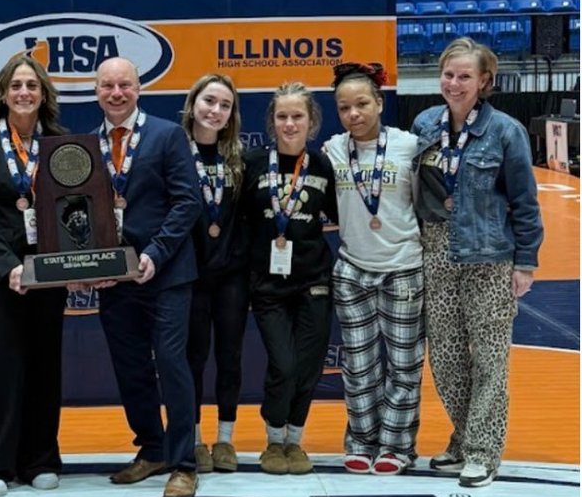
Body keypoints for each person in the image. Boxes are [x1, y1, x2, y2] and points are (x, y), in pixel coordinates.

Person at [410, 38, 543, 488]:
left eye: (465, 76)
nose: (454, 83)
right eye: (449, 74)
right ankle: (464, 437)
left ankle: (483, 452)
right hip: (437, 252)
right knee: (446, 358)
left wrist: (525, 262)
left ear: (484, 81)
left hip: (489, 255)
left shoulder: (506, 131)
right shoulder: (425, 124)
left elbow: (524, 201)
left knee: (489, 359)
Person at [90, 57, 202, 497]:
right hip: (115, 278)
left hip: (167, 272)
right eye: (107, 86)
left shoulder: (167, 134)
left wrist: (155, 254)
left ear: (140, 88)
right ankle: (151, 449)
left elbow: (187, 202)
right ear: (96, 91)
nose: (116, 93)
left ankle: (183, 464)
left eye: (125, 85)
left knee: (172, 365)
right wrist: (89, 265)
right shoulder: (85, 145)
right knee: (131, 367)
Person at [0, 54, 67, 497]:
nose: (24, 93)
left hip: (50, 270)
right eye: (16, 85)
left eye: (32, 86)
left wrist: (77, 261)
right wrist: (8, 266)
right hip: (1, 274)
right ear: (2, 94)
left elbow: (73, 207)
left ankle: (38, 458)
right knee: (7, 362)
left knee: (46, 363)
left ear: (44, 95)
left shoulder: (59, 143)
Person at [325, 62, 424, 474]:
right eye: (345, 107)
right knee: (359, 365)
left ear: (380, 103)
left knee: (403, 365)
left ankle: (397, 447)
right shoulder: (332, 149)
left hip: (402, 266)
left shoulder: (409, 145)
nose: (354, 114)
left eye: (362, 104)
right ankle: (362, 441)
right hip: (352, 270)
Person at [244, 82, 338, 475]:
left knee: (309, 364)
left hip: (313, 280)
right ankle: (272, 439)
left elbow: (337, 214)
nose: (289, 123)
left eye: (297, 115)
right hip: (268, 285)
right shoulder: (252, 163)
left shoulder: (321, 166)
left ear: (311, 121)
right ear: (271, 121)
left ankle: (294, 441)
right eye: (282, 116)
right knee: (283, 363)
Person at [180, 73, 250, 474]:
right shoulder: (173, 152)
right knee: (191, 358)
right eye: (209, 101)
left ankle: (225, 438)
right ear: (193, 103)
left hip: (231, 277)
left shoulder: (240, 159)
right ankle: (193, 437)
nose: (215, 110)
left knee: (230, 357)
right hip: (189, 276)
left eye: (225, 105)